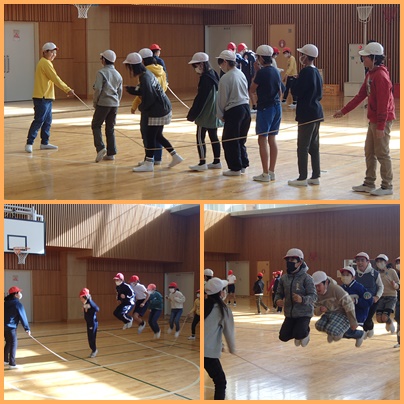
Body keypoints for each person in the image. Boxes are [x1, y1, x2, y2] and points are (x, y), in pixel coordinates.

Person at [333, 42, 395, 196]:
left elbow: (384, 104)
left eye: (365, 57)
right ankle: (369, 182)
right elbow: (360, 96)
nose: (363, 60)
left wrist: (381, 126)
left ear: (374, 58)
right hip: (373, 120)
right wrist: (343, 111)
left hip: (382, 120)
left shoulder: (381, 77)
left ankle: (387, 186)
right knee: (369, 151)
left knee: (382, 153)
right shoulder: (370, 74)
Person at [123, 52, 184, 172]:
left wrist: (142, 108)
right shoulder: (146, 73)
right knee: (157, 135)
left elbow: (149, 97)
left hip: (158, 110)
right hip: (162, 108)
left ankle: (149, 162)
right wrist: (132, 90)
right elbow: (145, 90)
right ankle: (175, 156)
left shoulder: (145, 76)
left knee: (150, 136)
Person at [25, 42, 74, 153]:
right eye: (52, 52)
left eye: (55, 52)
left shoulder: (47, 63)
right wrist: (67, 89)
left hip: (47, 97)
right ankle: (29, 142)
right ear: (45, 52)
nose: (54, 55)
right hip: (41, 97)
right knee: (39, 120)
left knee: (47, 121)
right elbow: (55, 78)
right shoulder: (45, 63)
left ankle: (44, 142)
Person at [287, 44, 324, 187]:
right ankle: (315, 175)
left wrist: (295, 80)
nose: (300, 57)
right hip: (316, 112)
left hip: (306, 113)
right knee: (314, 146)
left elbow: (296, 91)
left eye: (302, 54)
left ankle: (302, 177)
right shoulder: (316, 72)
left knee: (302, 146)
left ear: (306, 57)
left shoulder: (306, 72)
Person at [250, 44, 282, 183]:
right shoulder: (276, 71)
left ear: (261, 58)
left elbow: (252, 89)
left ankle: (264, 174)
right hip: (277, 107)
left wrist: (256, 73)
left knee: (262, 139)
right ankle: (271, 171)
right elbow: (280, 91)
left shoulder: (261, 73)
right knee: (272, 139)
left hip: (265, 108)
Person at [216, 49, 251, 176]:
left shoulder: (225, 78)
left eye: (221, 63)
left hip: (234, 110)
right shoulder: (241, 73)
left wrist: (220, 115)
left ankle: (235, 168)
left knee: (229, 140)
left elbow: (222, 98)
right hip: (246, 108)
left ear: (225, 62)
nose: (220, 66)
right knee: (240, 139)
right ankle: (243, 164)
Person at [186, 52, 222, 171]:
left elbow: (201, 99)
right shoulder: (213, 73)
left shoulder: (205, 78)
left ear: (201, 64)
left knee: (200, 137)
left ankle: (202, 163)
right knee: (213, 136)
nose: (195, 68)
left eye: (195, 65)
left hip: (205, 113)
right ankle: (217, 161)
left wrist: (192, 114)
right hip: (214, 111)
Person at [133, 47, 168, 167]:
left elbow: (144, 92)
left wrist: (135, 105)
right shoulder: (161, 70)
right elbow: (164, 87)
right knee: (157, 134)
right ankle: (157, 158)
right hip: (161, 105)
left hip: (150, 107)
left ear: (142, 61)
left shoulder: (145, 73)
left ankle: (149, 159)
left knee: (147, 133)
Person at [274, 248, 317, 347]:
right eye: (288, 260)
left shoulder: (307, 278)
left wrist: (302, 299)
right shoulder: (284, 279)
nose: (289, 262)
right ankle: (298, 333)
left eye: (292, 259)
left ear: (300, 262)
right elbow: (278, 293)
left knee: (299, 333)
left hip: (304, 314)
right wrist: (277, 300)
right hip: (290, 314)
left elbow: (314, 296)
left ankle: (304, 333)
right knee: (283, 337)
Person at [313, 271, 366, 347]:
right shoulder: (316, 294)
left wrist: (353, 322)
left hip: (343, 313)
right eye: (315, 286)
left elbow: (349, 304)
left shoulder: (336, 289)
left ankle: (359, 334)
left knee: (335, 332)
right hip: (330, 313)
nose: (317, 288)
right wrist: (320, 309)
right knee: (319, 325)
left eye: (318, 285)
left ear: (326, 282)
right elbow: (315, 310)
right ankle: (332, 331)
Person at [204, 277, 235, 400]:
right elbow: (229, 332)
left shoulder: (204, 306)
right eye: (224, 289)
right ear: (221, 293)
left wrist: (220, 344)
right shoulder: (223, 310)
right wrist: (232, 348)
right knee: (220, 382)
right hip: (208, 353)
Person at [92, 50, 122, 163]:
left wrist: (95, 102)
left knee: (96, 125)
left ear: (104, 60)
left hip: (103, 103)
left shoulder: (101, 73)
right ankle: (111, 153)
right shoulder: (118, 74)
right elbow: (120, 91)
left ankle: (100, 148)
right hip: (114, 104)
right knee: (110, 128)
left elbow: (98, 89)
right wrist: (116, 102)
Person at [339, 266, 373, 344]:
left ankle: (360, 334)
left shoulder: (359, 287)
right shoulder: (341, 288)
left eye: (347, 275)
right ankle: (357, 335)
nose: (345, 277)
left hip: (358, 315)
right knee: (338, 333)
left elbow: (369, 301)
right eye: (343, 275)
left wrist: (356, 301)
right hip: (346, 315)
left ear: (353, 277)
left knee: (346, 331)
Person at [353, 252, 384, 338]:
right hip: (360, 301)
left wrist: (377, 297)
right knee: (361, 319)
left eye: (362, 260)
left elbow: (381, 286)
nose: (360, 262)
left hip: (372, 301)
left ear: (368, 261)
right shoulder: (354, 274)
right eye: (358, 260)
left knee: (367, 319)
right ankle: (366, 330)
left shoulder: (375, 273)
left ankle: (369, 328)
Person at [4, 286, 31, 369]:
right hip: (11, 327)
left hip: (4, 327)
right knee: (13, 343)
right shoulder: (17, 304)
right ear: (15, 294)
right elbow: (23, 317)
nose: (20, 293)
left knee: (8, 342)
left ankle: (5, 360)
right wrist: (27, 329)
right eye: (19, 292)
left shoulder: (5, 303)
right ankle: (12, 364)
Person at [374, 254, 400, 334]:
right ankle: (387, 322)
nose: (379, 263)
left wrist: (395, 285)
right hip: (381, 297)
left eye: (381, 261)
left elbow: (398, 284)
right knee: (379, 319)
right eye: (378, 261)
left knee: (384, 317)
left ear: (386, 262)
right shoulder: (377, 273)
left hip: (391, 296)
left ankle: (389, 322)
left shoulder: (391, 271)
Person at [79, 287, 100, 358]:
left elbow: (97, 309)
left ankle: (94, 350)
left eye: (81, 297)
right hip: (89, 322)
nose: (80, 299)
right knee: (89, 337)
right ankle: (93, 349)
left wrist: (88, 308)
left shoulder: (90, 302)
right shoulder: (86, 303)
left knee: (92, 338)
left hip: (93, 323)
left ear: (85, 297)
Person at [236, 43, 256, 110]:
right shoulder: (249, 54)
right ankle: (253, 105)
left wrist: (252, 76)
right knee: (248, 91)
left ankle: (254, 105)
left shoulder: (249, 55)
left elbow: (251, 67)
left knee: (249, 91)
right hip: (247, 75)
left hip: (249, 76)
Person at [394, 256, 400, 347]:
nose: (399, 264)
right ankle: (400, 342)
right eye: (397, 263)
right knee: (398, 320)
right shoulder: (396, 275)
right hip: (398, 300)